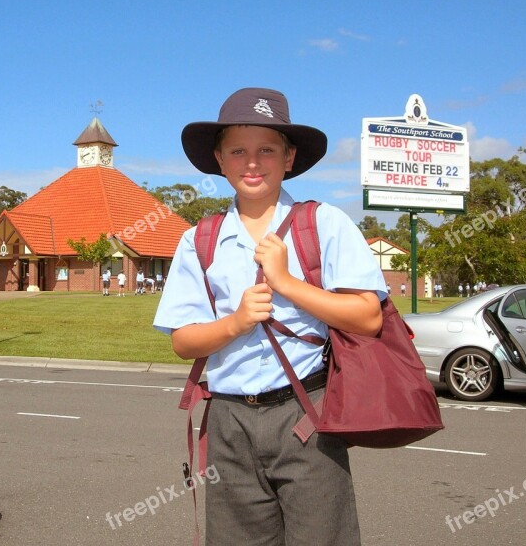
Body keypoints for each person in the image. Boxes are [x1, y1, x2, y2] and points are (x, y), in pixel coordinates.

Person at [153, 87, 386, 545]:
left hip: (307, 416)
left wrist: (287, 283)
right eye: (238, 150)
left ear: (290, 158)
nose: (252, 162)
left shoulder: (324, 224)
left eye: (267, 149)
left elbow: (367, 316)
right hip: (229, 421)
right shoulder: (198, 240)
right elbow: (183, 341)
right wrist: (235, 322)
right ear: (220, 160)